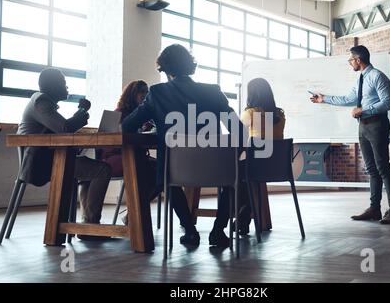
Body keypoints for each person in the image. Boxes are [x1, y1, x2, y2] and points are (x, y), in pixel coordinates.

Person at [122, 44, 245, 247]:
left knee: (166, 178)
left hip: (175, 171)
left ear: (165, 69)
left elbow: (127, 125)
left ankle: (189, 229)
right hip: (214, 167)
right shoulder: (213, 92)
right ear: (190, 65)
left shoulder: (157, 93)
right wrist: (231, 158)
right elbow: (239, 131)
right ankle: (218, 230)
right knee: (232, 178)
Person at [310, 45, 390, 224]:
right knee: (371, 169)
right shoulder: (360, 80)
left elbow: (388, 103)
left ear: (358, 60)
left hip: (377, 125)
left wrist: (364, 110)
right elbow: (348, 99)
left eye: (351, 60)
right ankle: (375, 209)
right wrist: (324, 98)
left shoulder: (377, 76)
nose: (350, 63)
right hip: (364, 127)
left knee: (383, 167)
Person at [18, 68, 113, 240]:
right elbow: (64, 128)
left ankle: (88, 224)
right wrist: (82, 112)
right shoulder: (41, 102)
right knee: (103, 170)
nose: (66, 86)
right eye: (63, 83)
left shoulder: (41, 103)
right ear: (53, 86)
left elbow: (59, 128)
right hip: (41, 165)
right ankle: (90, 226)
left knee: (91, 171)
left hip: (48, 160)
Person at [100, 80, 157, 225]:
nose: (145, 96)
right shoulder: (118, 114)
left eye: (146, 92)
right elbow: (107, 144)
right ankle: (135, 213)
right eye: (141, 92)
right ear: (132, 94)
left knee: (162, 169)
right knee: (145, 166)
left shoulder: (143, 116)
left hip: (135, 156)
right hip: (114, 157)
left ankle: (133, 212)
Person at [235, 78, 286, 234]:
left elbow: (238, 136)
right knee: (244, 173)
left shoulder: (250, 113)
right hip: (276, 167)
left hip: (256, 167)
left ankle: (242, 216)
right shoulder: (280, 114)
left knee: (235, 173)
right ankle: (244, 216)